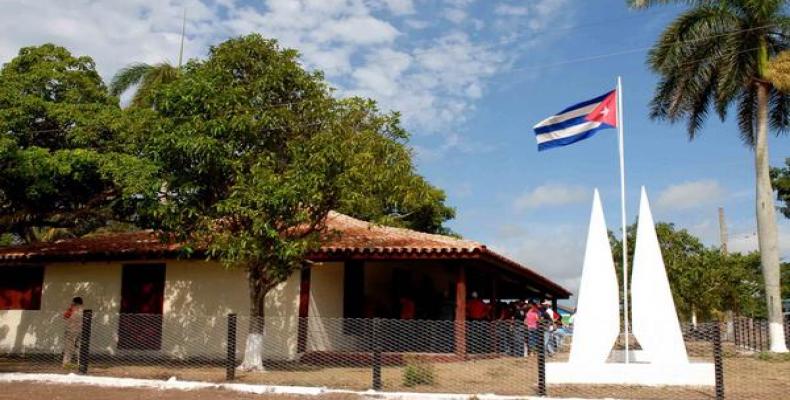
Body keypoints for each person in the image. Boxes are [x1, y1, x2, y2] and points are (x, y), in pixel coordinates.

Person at [62, 296, 84, 367]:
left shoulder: (71, 309)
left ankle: (66, 363)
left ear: (74, 302)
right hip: (80, 331)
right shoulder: (83, 310)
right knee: (79, 348)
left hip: (70, 331)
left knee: (69, 348)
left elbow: (65, 317)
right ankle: (80, 363)